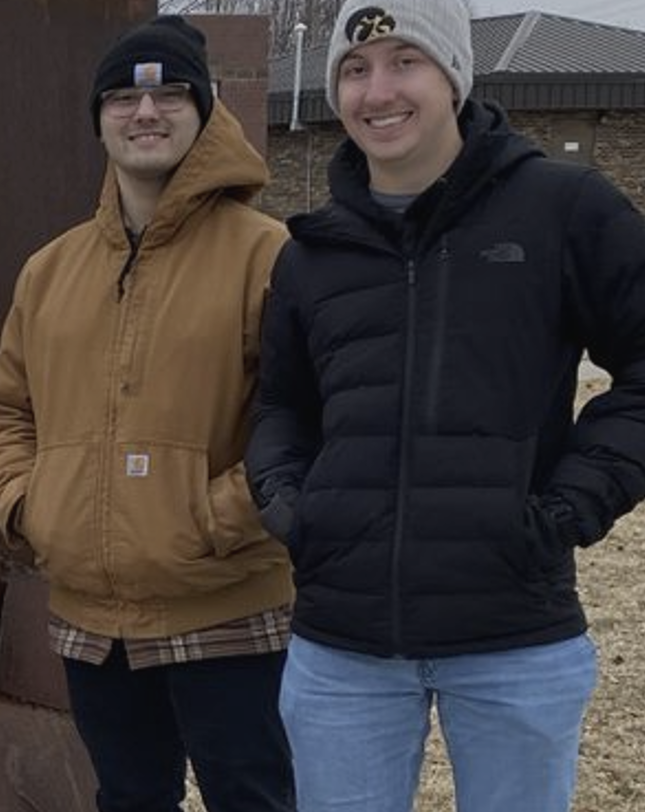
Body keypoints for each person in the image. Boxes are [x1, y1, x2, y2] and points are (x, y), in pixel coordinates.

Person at [245, 0, 645, 809]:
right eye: (354, 69)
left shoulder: (564, 209)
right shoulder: (311, 255)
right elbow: (279, 407)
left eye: (405, 61)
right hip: (343, 644)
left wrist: (570, 506)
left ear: (454, 75)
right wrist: (291, 504)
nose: (376, 90)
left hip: (513, 632)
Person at [0, 17, 296, 812]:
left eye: (169, 94)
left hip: (226, 600)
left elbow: (300, 417)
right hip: (93, 618)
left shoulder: (268, 254)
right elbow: (8, 407)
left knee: (253, 797)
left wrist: (216, 517)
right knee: (128, 798)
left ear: (205, 111)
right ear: (98, 119)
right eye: (122, 96)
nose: (144, 113)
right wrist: (31, 506)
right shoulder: (50, 270)